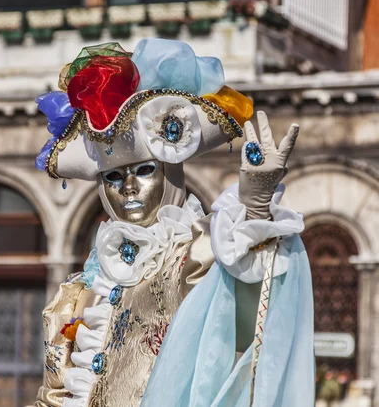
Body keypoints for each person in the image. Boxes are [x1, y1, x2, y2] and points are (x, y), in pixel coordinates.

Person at [29, 38, 314, 407]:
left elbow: (248, 320)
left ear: (172, 173)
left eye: (145, 170)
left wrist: (255, 211)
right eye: (113, 178)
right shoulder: (79, 293)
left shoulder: (202, 251)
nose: (128, 187)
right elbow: (52, 397)